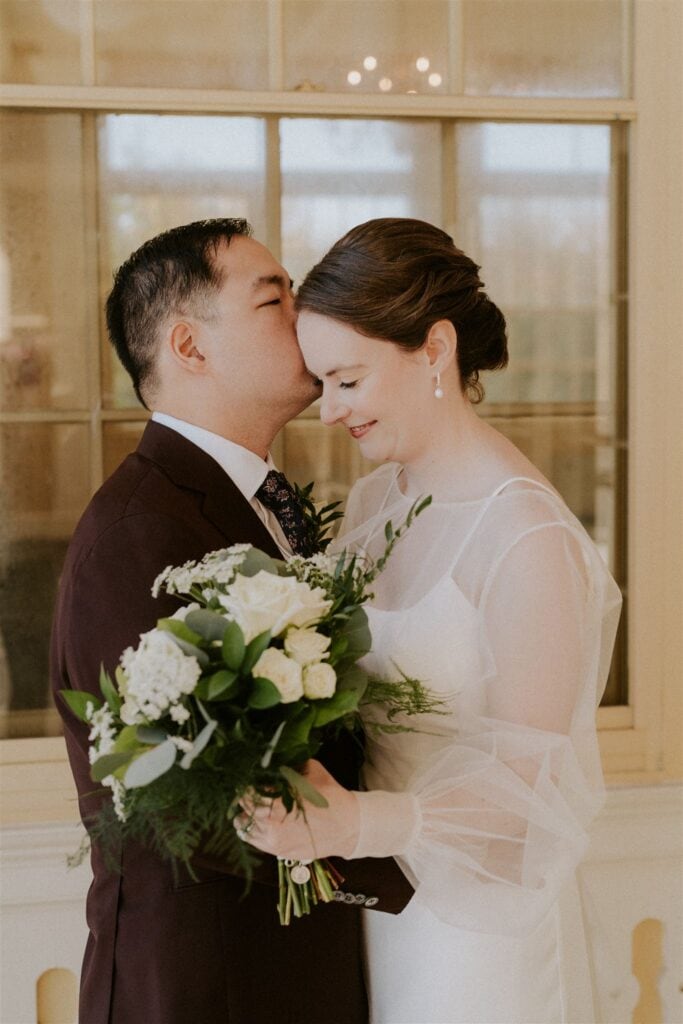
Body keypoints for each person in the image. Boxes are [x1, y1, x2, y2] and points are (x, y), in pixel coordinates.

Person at [237, 217, 623, 1024]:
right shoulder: (382, 500)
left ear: (435, 349)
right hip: (380, 905)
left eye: (347, 380)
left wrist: (357, 822)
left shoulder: (526, 539)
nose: (328, 412)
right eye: (323, 384)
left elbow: (530, 794)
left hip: (478, 936)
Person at [50, 218, 413, 1024]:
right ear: (188, 346)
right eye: (274, 297)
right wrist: (403, 851)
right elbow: (178, 799)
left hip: (289, 966)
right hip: (205, 984)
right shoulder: (136, 533)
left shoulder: (264, 503)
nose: (309, 312)